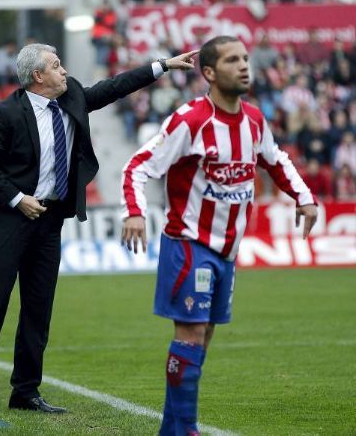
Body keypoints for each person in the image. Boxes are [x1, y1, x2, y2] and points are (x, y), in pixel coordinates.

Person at [0, 42, 199, 416]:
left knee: (38, 310)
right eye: (56, 65)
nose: (63, 71)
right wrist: (19, 198)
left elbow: (113, 87)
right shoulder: (8, 112)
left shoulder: (73, 95)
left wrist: (161, 66)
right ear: (38, 76)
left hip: (50, 221)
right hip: (12, 220)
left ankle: (25, 392)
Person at [120, 36, 318, 436]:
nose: (244, 66)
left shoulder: (255, 120)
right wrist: (135, 214)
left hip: (228, 248)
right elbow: (137, 166)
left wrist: (304, 197)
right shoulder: (190, 121)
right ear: (208, 73)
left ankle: (171, 428)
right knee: (191, 332)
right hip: (189, 244)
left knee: (204, 335)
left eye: (245, 58)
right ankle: (186, 428)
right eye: (232, 60)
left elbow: (275, 160)